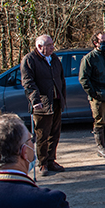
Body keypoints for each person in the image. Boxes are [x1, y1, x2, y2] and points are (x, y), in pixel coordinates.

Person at [21, 34, 67, 175]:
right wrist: (35, 101)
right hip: (42, 104)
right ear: (39, 46)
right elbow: (28, 83)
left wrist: (62, 97)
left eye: (52, 44)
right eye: (49, 45)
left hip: (56, 101)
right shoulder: (30, 59)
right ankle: (43, 163)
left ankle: (51, 160)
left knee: (55, 133)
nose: (52, 47)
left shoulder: (54, 59)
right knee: (42, 135)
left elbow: (61, 79)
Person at [79, 32, 105, 158]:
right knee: (100, 121)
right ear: (95, 43)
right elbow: (83, 79)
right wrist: (94, 93)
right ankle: (101, 147)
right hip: (98, 97)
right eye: (102, 41)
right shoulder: (89, 59)